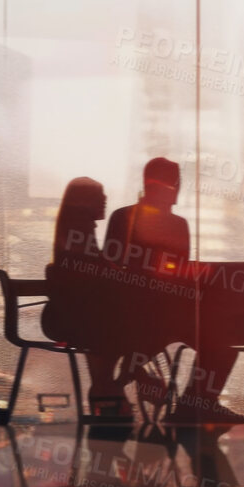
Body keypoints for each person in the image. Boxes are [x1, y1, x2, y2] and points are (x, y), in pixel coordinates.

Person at [104, 158, 244, 423]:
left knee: (220, 344)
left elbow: (111, 266)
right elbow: (178, 272)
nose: (178, 188)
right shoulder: (177, 225)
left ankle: (183, 400)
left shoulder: (123, 217)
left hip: (136, 313)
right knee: (221, 345)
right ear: (169, 186)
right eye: (175, 183)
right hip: (155, 313)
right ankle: (196, 404)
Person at [43, 177, 142, 419]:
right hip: (79, 319)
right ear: (84, 201)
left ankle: (109, 398)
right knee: (125, 328)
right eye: (100, 195)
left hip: (71, 316)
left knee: (111, 335)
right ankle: (111, 395)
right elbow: (101, 268)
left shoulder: (73, 228)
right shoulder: (79, 230)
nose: (105, 200)